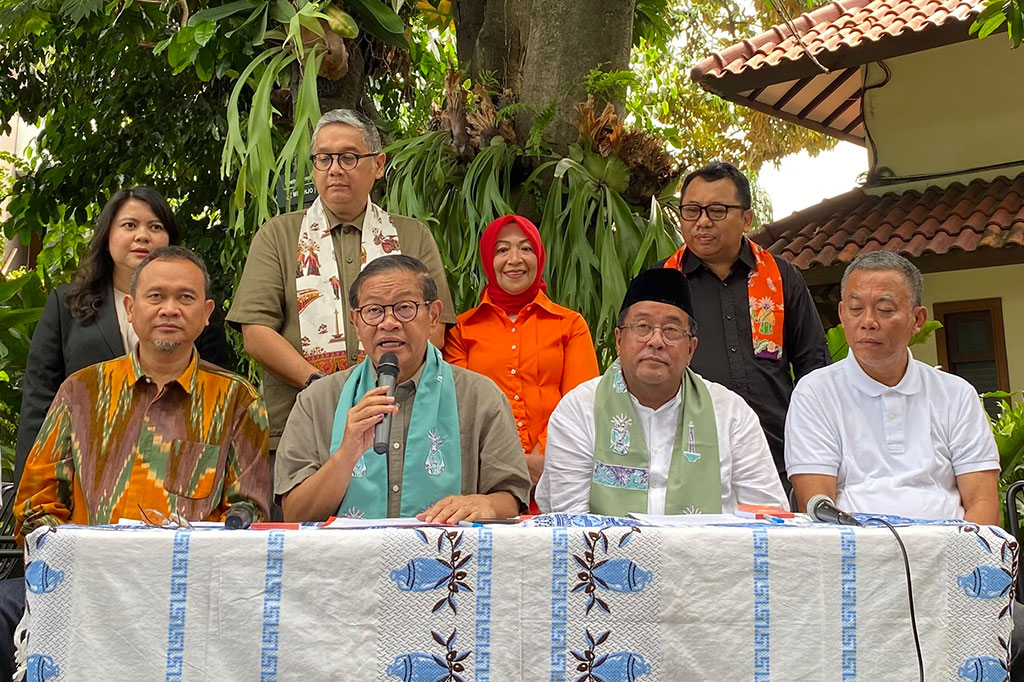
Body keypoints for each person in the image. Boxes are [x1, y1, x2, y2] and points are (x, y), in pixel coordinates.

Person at [3, 247, 271, 682]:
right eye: (155, 296)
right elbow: (35, 503)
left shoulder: (238, 400)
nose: (169, 308)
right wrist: (85, 563)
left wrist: (176, 567)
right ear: (130, 308)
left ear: (206, 315)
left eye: (185, 298)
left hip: (193, 594)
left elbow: (248, 512)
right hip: (89, 587)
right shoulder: (82, 391)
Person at [227, 109, 456, 449]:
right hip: (303, 423)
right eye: (323, 158)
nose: (334, 169)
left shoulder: (411, 235)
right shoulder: (279, 234)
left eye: (348, 157)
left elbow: (434, 329)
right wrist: (321, 386)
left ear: (378, 165)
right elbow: (257, 334)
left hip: (398, 424)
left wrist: (378, 387)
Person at [275, 255, 531, 523]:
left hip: (446, 560)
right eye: (373, 310)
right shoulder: (317, 401)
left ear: (433, 316)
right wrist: (346, 455)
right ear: (356, 322)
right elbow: (295, 515)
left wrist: (485, 504)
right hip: (347, 563)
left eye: (404, 308)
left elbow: (511, 498)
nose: (389, 323)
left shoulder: (479, 396)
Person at [15, 187, 230, 487]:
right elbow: (40, 399)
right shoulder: (67, 305)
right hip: (82, 472)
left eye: (155, 226)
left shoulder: (195, 309)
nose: (142, 236)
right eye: (129, 225)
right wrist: (30, 487)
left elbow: (218, 391)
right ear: (107, 236)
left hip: (173, 475)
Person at [536, 268, 787, 516]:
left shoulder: (731, 413)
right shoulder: (579, 410)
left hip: (706, 555)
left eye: (671, 330)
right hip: (603, 555)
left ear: (691, 349)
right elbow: (568, 520)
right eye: (643, 326)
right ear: (619, 340)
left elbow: (766, 516)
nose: (656, 341)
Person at [785, 252, 999, 523]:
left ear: (918, 320)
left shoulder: (956, 394)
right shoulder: (815, 393)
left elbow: (983, 503)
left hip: (950, 552)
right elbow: (817, 506)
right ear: (841, 314)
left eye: (885, 310)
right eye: (855, 309)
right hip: (857, 553)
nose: (868, 322)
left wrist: (959, 560)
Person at [658, 161, 829, 487]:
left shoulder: (781, 277)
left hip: (775, 455)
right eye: (691, 211)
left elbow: (813, 366)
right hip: (686, 455)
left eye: (717, 210)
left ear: (747, 218)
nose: (702, 222)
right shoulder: (663, 282)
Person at [444, 215, 599, 511]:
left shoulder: (569, 325)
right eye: (502, 250)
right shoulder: (463, 330)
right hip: (485, 481)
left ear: (539, 256)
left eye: (525, 248)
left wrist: (544, 457)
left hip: (559, 473)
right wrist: (508, 464)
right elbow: (459, 409)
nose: (514, 259)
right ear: (489, 260)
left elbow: (582, 401)